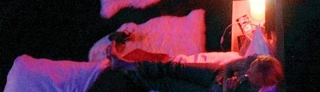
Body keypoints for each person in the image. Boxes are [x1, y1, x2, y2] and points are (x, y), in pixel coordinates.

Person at [98, 47, 284, 92]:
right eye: (250, 69)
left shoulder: (252, 90)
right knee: (173, 67)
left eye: (251, 76)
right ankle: (123, 64)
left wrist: (227, 89)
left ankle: (130, 73)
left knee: (168, 85)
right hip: (215, 73)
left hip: (212, 90)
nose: (247, 73)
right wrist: (226, 77)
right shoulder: (253, 60)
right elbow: (229, 66)